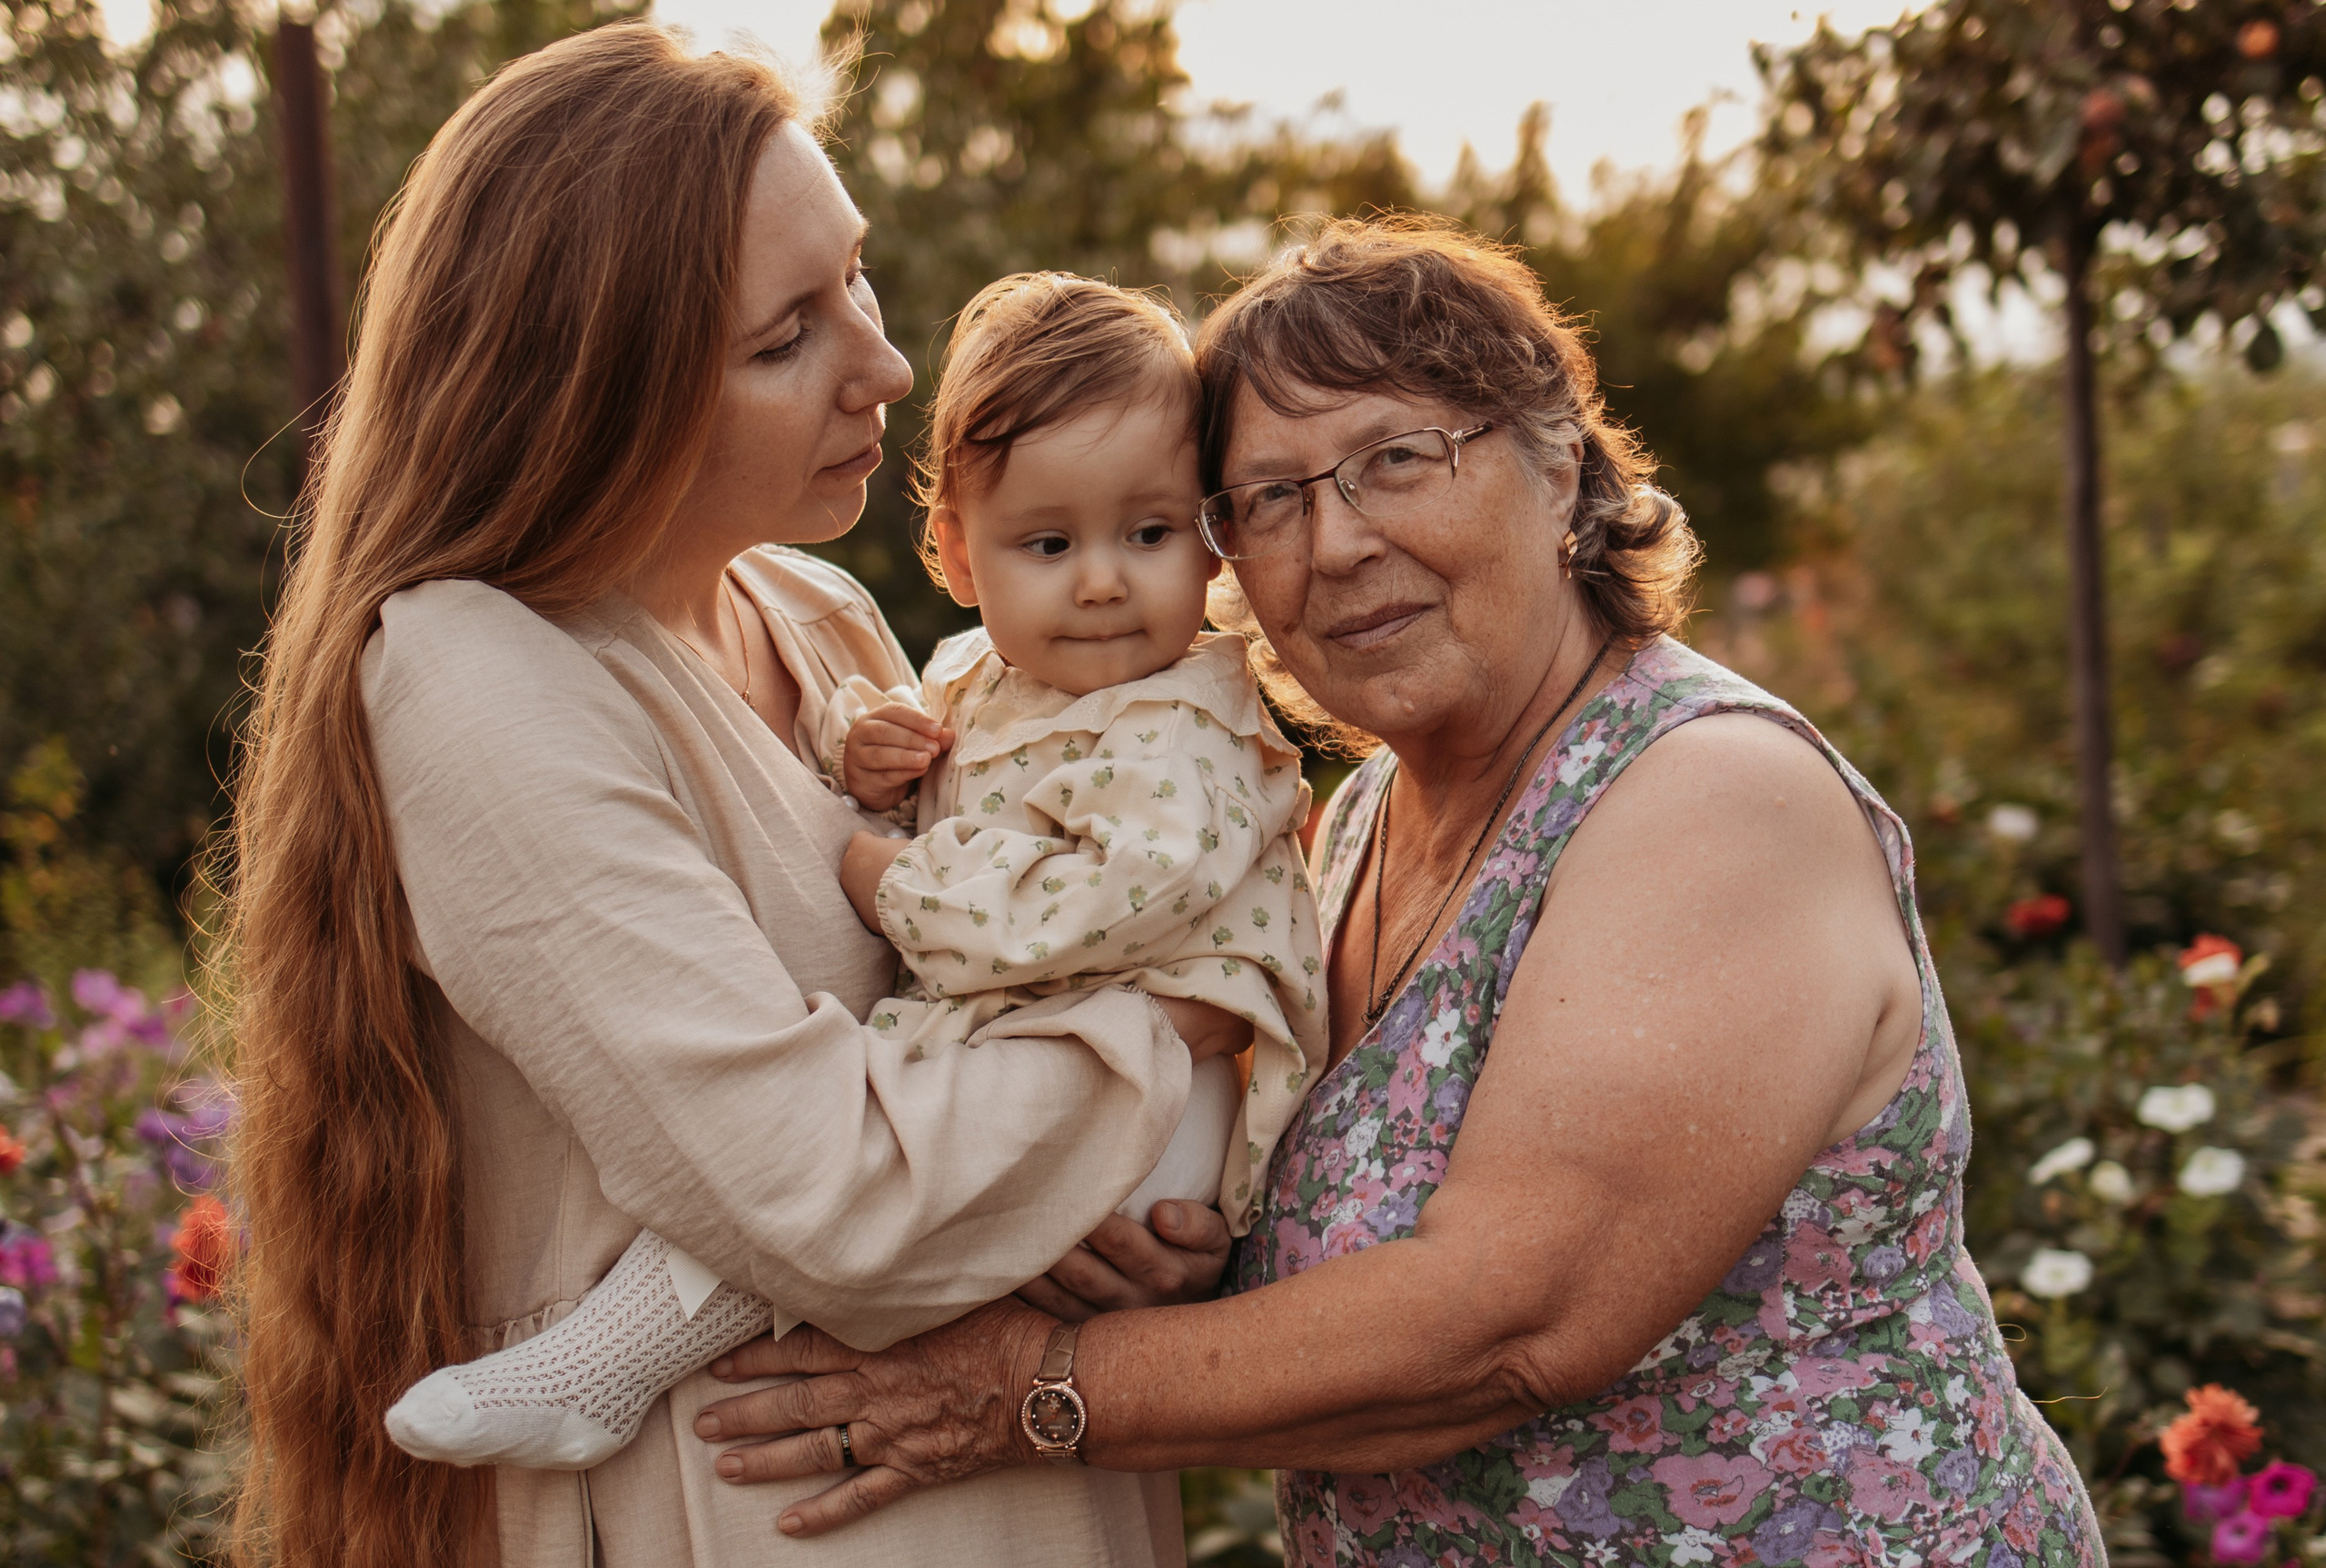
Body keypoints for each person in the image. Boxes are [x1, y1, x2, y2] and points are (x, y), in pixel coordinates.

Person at [687, 218, 2107, 1568]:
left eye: (1397, 460)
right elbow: (1344, 1260)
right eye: (1274, 499)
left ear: (1561, 468)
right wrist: (1173, 1251)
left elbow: (1512, 1319)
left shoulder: (1710, 798)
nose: (1339, 542)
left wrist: (1026, 1387)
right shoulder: (1361, 822)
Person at [224, 25, 1241, 1568]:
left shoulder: (811, 607)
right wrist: (1177, 1038)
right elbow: (820, 1190)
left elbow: (981, 999)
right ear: (591, 394)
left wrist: (1122, 1211)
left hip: (1019, 1470)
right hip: (752, 1505)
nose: (887, 368)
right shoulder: (479, 681)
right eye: (785, 342)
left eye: (859, 280)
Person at [382, 272, 1326, 1476]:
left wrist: (885, 878)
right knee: (871, 1130)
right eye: (787, 333)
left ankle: (602, 1365)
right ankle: (600, 1364)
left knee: (890, 1113)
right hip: (1044, 1076)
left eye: (1149, 535)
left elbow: (1083, 899)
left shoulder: (1185, 718)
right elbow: (936, 771)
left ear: (1208, 536)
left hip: (1143, 1119)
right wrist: (866, 751)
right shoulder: (987, 672)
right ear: (959, 555)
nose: (1101, 581)